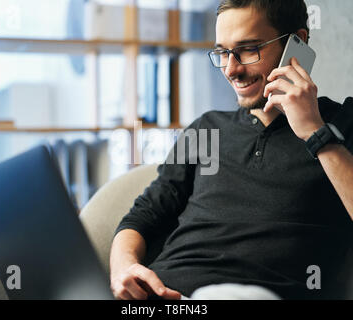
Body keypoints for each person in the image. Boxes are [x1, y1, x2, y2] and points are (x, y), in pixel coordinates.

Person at [110, 0, 353, 300]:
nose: (231, 69)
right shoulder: (208, 128)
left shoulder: (343, 123)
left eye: (249, 49)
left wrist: (316, 133)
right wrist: (123, 269)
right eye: (223, 52)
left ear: (297, 43)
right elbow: (144, 214)